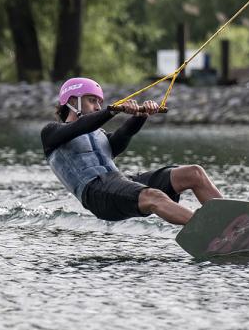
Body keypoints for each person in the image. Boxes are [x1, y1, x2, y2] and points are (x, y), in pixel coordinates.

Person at [41, 77, 223, 225]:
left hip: (119, 181)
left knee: (193, 173)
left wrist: (140, 116)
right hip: (96, 194)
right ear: (73, 101)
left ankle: (234, 222)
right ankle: (210, 231)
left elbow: (122, 136)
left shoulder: (100, 135)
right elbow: (78, 127)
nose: (97, 106)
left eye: (99, 102)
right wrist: (111, 112)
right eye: (92, 101)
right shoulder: (52, 133)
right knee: (154, 196)